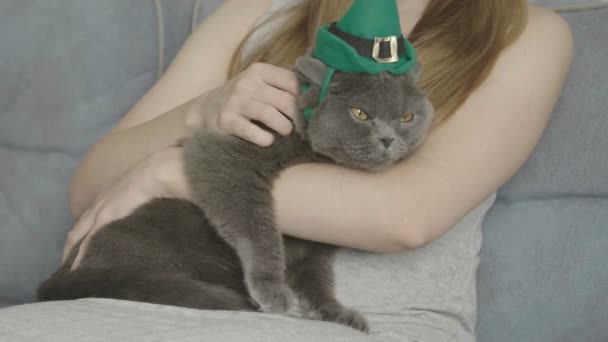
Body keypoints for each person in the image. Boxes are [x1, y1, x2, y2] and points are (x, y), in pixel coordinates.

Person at [62, 0, 573, 335]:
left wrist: (176, 170)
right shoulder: (259, 11)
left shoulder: (525, 33)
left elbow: (405, 216)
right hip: (168, 300)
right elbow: (89, 186)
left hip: (370, 322)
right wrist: (202, 110)